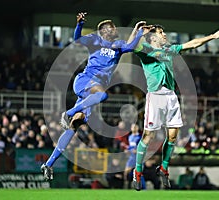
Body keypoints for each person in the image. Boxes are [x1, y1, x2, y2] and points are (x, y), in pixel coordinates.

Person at [40, 12, 153, 181]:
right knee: (102, 95)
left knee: (75, 126)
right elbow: (77, 38)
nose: (115, 29)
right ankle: (68, 112)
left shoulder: (118, 45)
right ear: (104, 31)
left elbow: (130, 46)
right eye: (112, 27)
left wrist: (138, 31)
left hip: (89, 91)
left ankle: (48, 164)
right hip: (86, 81)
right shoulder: (95, 40)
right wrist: (79, 24)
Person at [132, 24, 219, 191]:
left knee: (173, 136)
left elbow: (192, 43)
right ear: (153, 37)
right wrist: (138, 31)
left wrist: (211, 36)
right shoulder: (144, 49)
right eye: (161, 32)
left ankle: (163, 169)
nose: (165, 35)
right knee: (149, 136)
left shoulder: (169, 49)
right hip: (155, 96)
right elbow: (130, 45)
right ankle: (137, 171)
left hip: (170, 96)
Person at [123, 123, 142, 188]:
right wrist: (127, 149)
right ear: (131, 128)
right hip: (131, 156)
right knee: (126, 172)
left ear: (137, 128)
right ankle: (127, 186)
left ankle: (141, 186)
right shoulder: (130, 137)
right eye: (133, 127)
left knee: (138, 172)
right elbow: (131, 146)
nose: (134, 128)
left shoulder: (140, 137)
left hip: (137, 157)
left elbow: (141, 147)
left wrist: (138, 151)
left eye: (135, 127)